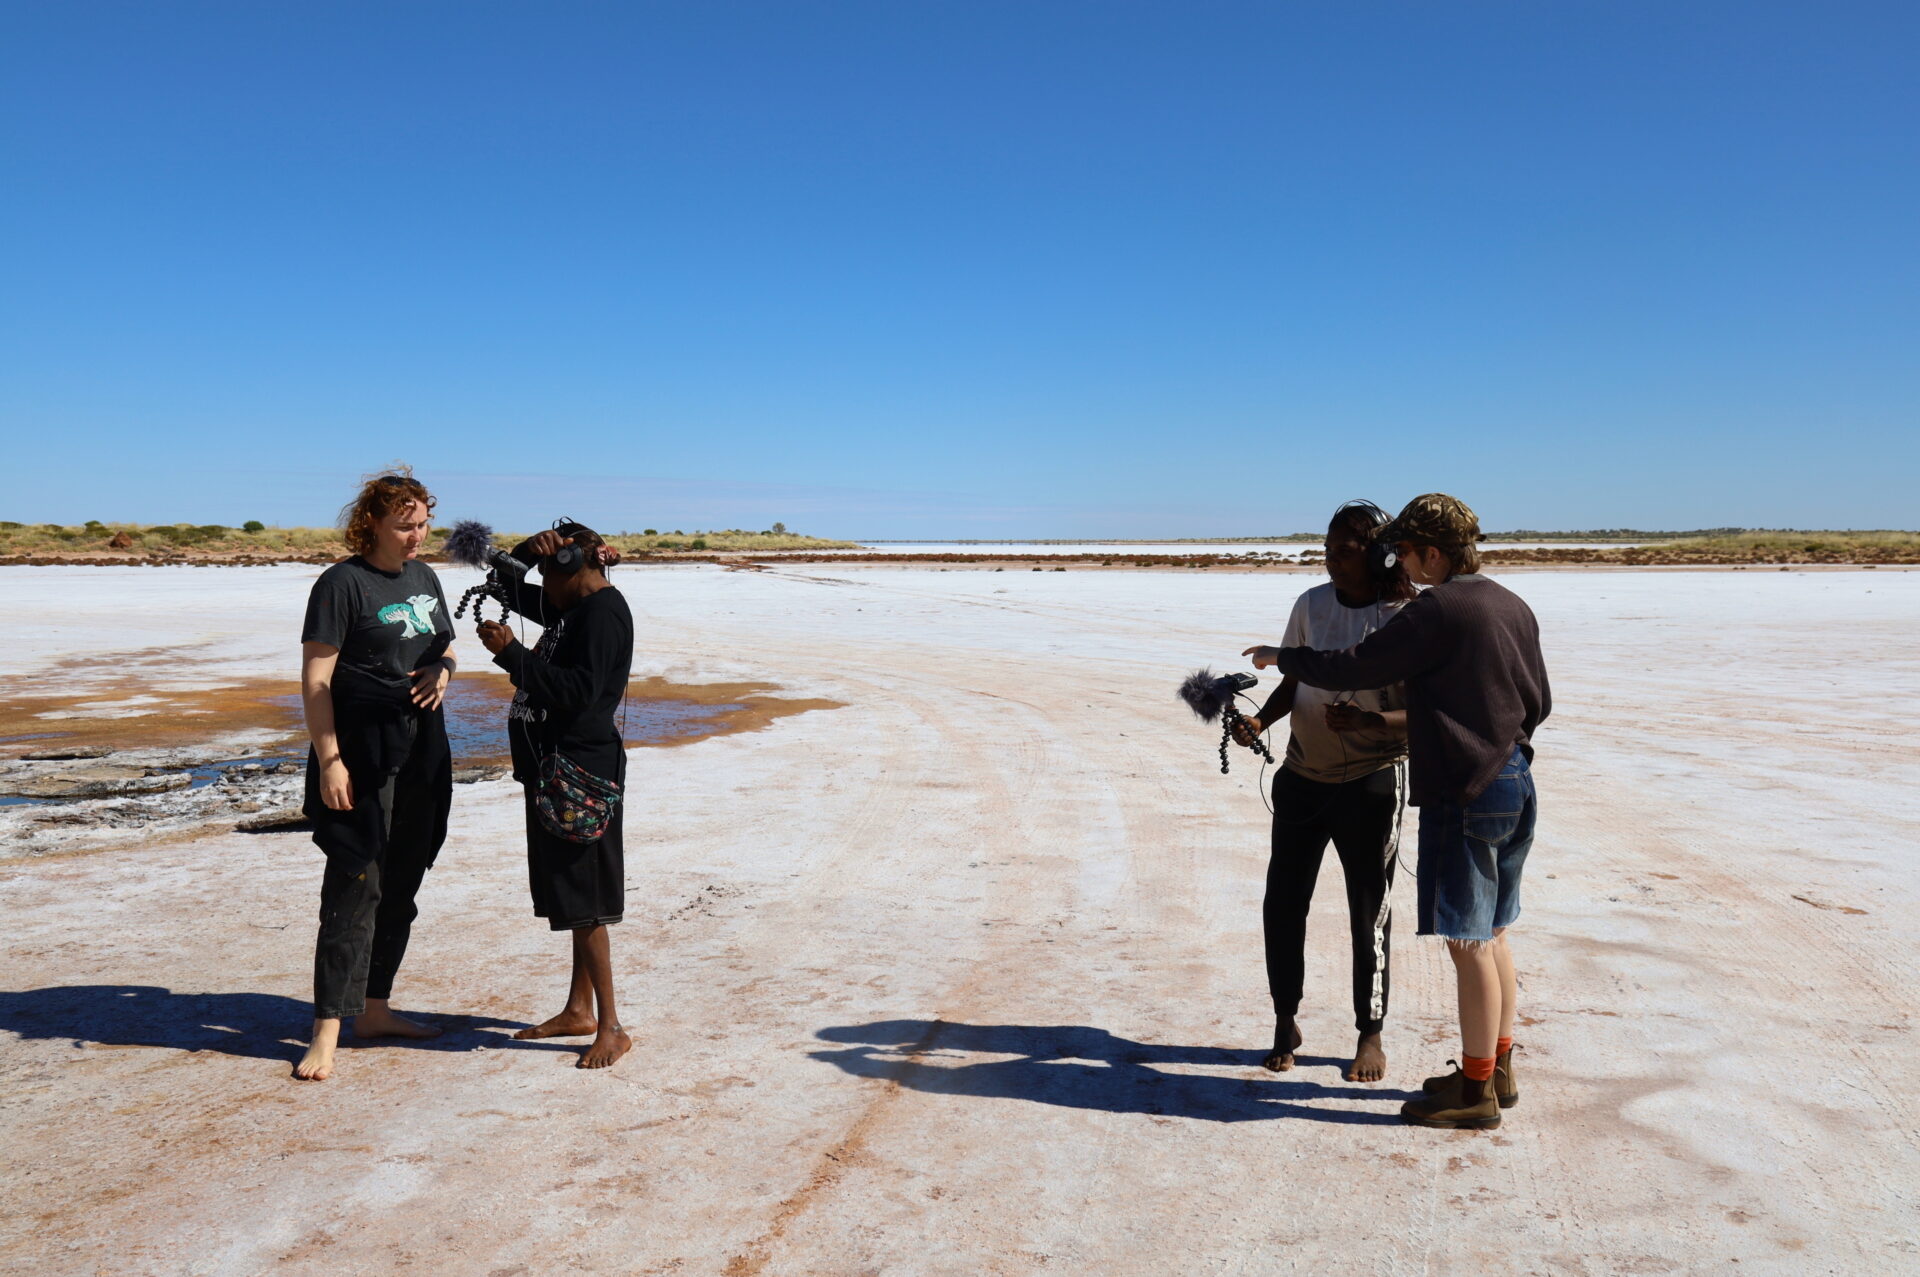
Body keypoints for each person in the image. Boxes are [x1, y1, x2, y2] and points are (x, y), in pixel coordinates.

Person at [1246, 494, 1549, 1129]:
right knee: (1493, 933)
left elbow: (1362, 664)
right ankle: (1497, 1069)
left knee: (1468, 941)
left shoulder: (1436, 608)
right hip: (1512, 777)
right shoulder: (1510, 602)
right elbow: (1537, 701)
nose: (1398, 562)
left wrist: (1284, 658)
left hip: (1466, 786)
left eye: (1404, 550)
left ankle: (1474, 1091)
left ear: (1432, 553)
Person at [1236, 501, 1411, 1083]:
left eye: (1345, 550)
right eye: (1327, 549)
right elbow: (1295, 678)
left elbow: (1422, 709)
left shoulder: (1406, 615)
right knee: (1283, 905)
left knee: (1369, 912)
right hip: (1302, 778)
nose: (1331, 560)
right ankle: (1285, 1020)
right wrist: (1261, 720)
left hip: (1372, 783)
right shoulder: (1310, 604)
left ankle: (1370, 1032)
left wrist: (1369, 725)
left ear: (1381, 554)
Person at [295, 469, 456, 1082]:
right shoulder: (341, 585)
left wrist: (442, 671)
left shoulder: (424, 577)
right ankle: (326, 1031)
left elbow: (444, 647)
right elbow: (316, 682)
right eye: (405, 526)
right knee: (354, 880)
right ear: (372, 523)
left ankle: (375, 1009)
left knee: (403, 877)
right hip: (361, 748)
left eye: (424, 524)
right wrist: (330, 760)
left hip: (422, 747)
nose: (418, 536)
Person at [475, 521, 634, 1070]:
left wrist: (512, 655)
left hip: (579, 773)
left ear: (572, 569)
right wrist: (528, 549)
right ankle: (578, 1010)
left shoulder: (602, 615)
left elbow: (581, 694)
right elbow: (502, 583)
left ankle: (611, 1027)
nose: (541, 588)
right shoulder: (572, 606)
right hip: (554, 770)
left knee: (586, 903)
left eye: (547, 574)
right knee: (571, 896)